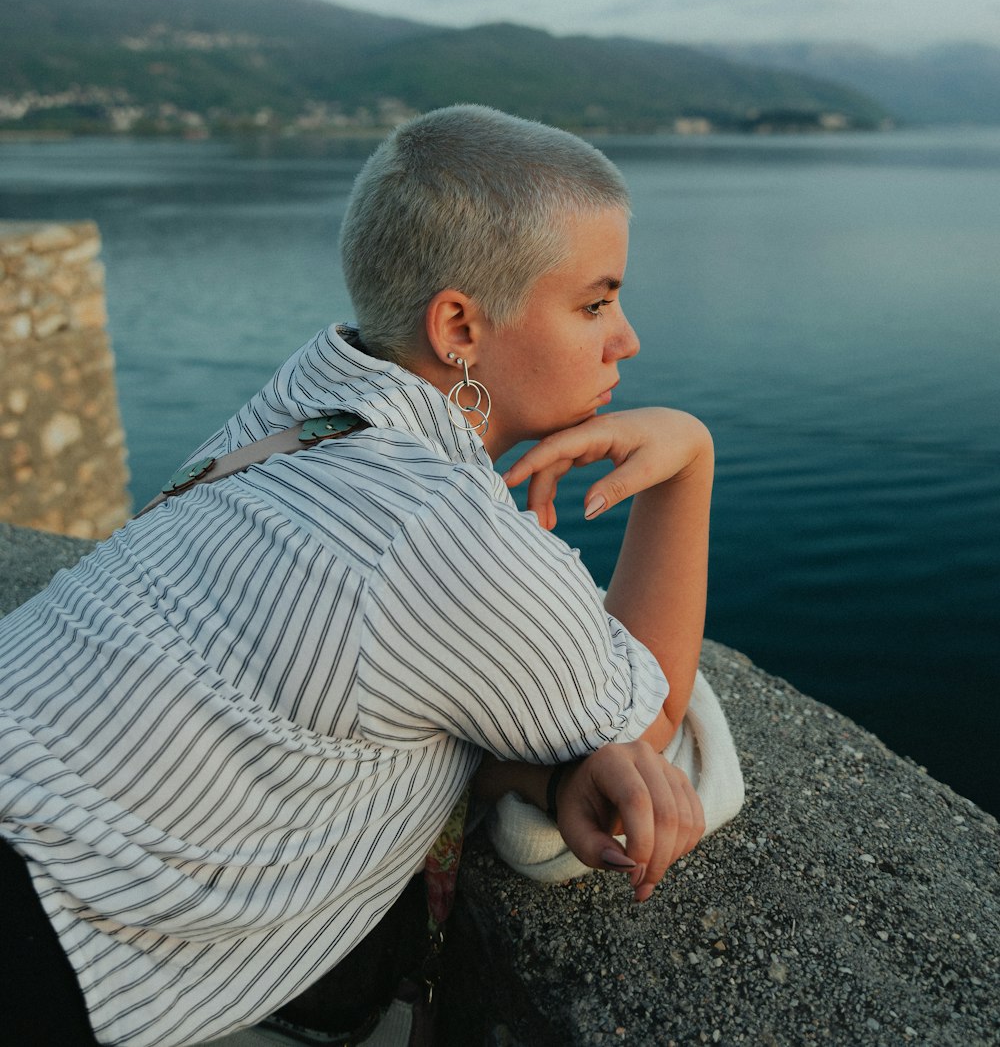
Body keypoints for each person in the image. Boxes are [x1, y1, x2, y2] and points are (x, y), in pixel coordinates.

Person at [0, 105, 715, 1047]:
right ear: (459, 323)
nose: (625, 338)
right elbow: (644, 726)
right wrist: (689, 463)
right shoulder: (443, 534)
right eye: (594, 303)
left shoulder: (308, 398)